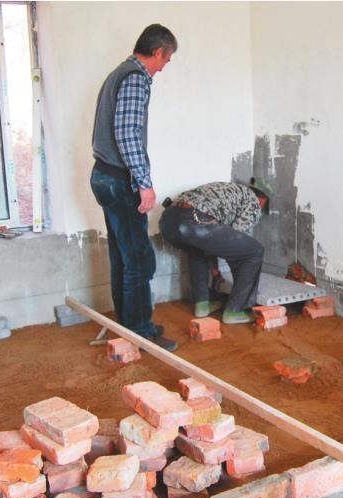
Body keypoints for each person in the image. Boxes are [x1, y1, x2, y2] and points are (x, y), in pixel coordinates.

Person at [89, 24, 178, 351]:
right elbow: (127, 134)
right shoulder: (135, 78)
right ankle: (140, 332)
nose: (164, 67)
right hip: (119, 180)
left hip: (105, 175)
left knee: (124, 257)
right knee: (139, 258)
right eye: (166, 59)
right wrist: (144, 183)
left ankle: (128, 327)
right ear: (158, 52)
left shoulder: (118, 73)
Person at [159, 180, 269, 323]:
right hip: (195, 220)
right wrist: (245, 281)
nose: (259, 211)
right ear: (262, 199)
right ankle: (235, 310)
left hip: (168, 220)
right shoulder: (253, 201)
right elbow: (238, 247)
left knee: (197, 250)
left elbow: (212, 243)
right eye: (262, 207)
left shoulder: (228, 190)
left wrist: (215, 271)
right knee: (254, 251)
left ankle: (202, 305)